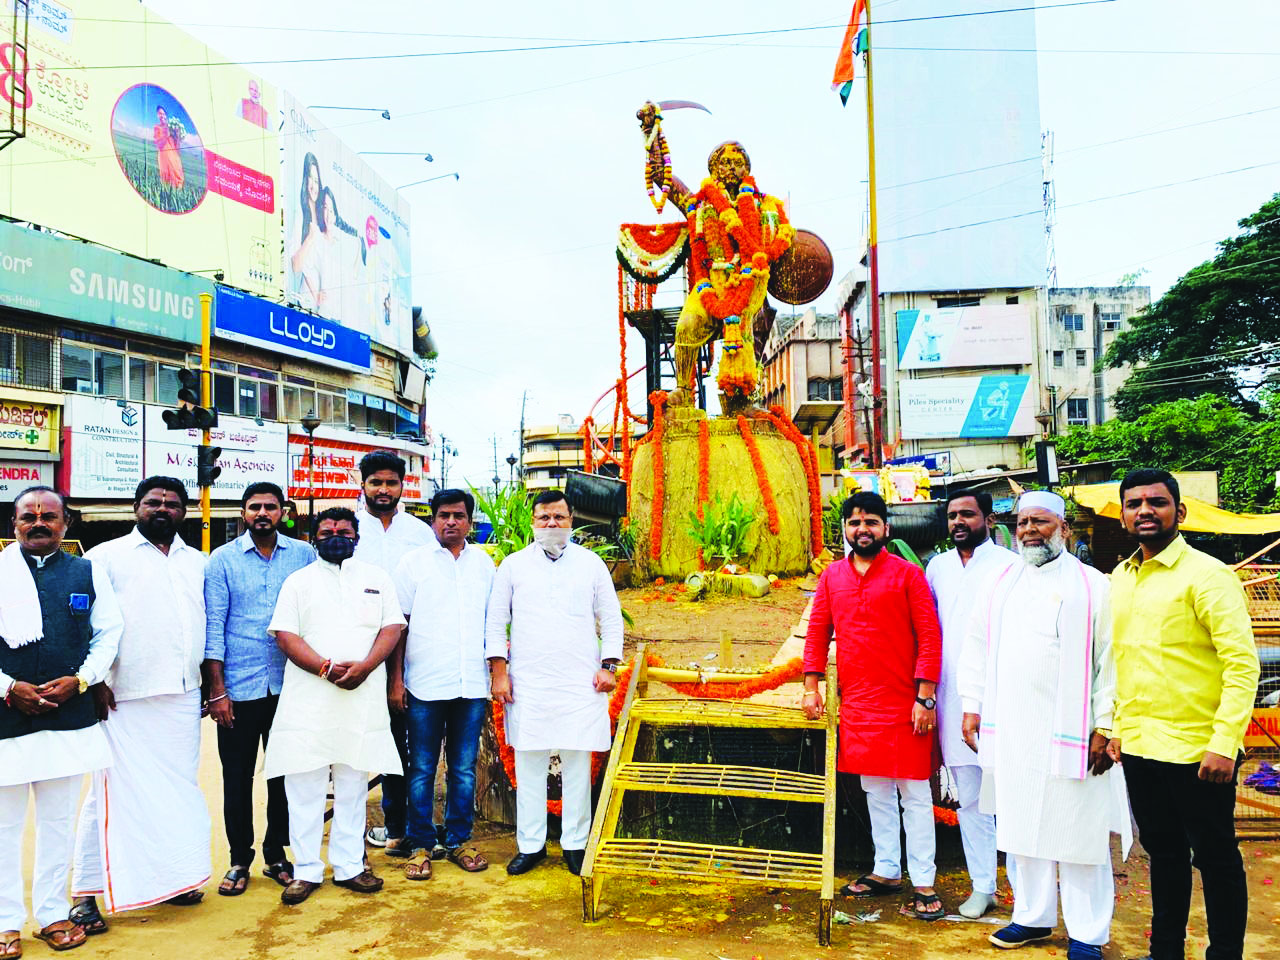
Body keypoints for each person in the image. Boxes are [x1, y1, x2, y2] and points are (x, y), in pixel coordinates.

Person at [958, 491, 1130, 960]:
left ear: (1064, 528)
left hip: (1071, 733)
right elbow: (975, 647)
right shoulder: (1000, 584)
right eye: (1023, 522)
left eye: (1041, 521)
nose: (1029, 529)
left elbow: (1109, 663)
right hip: (1013, 729)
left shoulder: (1095, 586)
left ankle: (1088, 934)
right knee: (1020, 830)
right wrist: (971, 705)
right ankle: (1031, 918)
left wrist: (1104, 725)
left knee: (1077, 833)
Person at [1108, 468, 1259, 960]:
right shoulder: (1121, 578)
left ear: (1180, 511)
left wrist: (1224, 742)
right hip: (1142, 747)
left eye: (1156, 502)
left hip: (1199, 750)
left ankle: (1225, 955)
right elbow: (1121, 662)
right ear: (1125, 515)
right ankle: (1166, 950)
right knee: (1164, 855)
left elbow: (1241, 665)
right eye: (1134, 503)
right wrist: (1114, 729)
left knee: (1216, 859)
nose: (1145, 511)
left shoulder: (1208, 576)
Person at [72, 477, 211, 931]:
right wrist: (95, 681)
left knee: (175, 792)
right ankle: (85, 893)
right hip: (121, 696)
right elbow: (84, 626)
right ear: (136, 508)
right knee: (107, 796)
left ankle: (174, 879)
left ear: (184, 512)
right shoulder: (104, 558)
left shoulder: (199, 562)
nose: (162, 509)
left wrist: (208, 685)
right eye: (153, 502)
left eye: (172, 504)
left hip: (183, 696)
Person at [802, 491, 945, 920]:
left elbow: (930, 638)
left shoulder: (907, 575)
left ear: (887, 528)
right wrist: (812, 687)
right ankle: (886, 870)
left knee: (915, 794)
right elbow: (816, 634)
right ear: (844, 529)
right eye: (854, 522)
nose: (862, 529)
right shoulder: (831, 578)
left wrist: (925, 696)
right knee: (875, 792)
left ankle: (923, 879)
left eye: (871, 522)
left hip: (907, 704)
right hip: (860, 704)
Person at [0, 487, 122, 956]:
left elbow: (109, 632)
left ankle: (51, 914)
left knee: (56, 823)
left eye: (47, 516)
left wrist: (83, 680)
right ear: (13, 525)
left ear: (65, 524)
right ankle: (6, 922)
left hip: (67, 714)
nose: (37, 523)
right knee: (4, 826)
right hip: (6, 715)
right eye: (27, 516)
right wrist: (8, 688)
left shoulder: (87, 572)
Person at [265, 507, 405, 905]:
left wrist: (365, 667)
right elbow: (286, 636)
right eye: (326, 531)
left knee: (353, 785)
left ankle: (349, 867)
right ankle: (306, 870)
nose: (335, 536)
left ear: (357, 537)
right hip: (309, 698)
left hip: (361, 695)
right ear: (314, 538)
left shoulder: (377, 578)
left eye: (344, 531)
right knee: (304, 785)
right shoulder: (298, 581)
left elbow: (392, 627)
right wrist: (325, 668)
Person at [486, 490, 623, 877]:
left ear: (571, 521)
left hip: (580, 680)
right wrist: (500, 672)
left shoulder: (591, 564)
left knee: (578, 760)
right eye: (544, 518)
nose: (551, 525)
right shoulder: (512, 566)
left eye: (559, 518)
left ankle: (575, 845)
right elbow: (496, 622)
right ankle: (530, 846)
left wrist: (608, 665)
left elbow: (610, 618)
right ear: (533, 522)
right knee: (529, 761)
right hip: (528, 681)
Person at [203, 482, 316, 897]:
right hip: (239, 687)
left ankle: (276, 853)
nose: (263, 513)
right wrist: (217, 690)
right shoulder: (222, 561)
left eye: (270, 507)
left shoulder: (304, 555)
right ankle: (238, 858)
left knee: (285, 775)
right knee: (236, 777)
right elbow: (214, 626)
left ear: (283, 511)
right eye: (255, 507)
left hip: (292, 686)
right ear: (243, 512)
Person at [391, 488, 496, 881]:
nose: (450, 522)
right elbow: (398, 626)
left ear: (469, 521)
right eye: (443, 515)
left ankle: (457, 840)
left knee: (464, 769)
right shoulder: (413, 564)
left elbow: (494, 623)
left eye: (458, 515)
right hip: (423, 685)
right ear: (432, 519)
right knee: (420, 768)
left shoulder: (484, 565)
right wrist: (396, 680)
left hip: (471, 685)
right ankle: (419, 844)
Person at [925, 489, 1017, 919]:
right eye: (952, 516)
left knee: (1012, 799)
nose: (959, 522)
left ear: (988, 520)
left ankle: (1024, 889)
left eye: (968, 514)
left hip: (1002, 701)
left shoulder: (1012, 566)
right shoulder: (937, 567)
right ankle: (984, 886)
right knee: (971, 800)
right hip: (950, 699)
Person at [353, 449, 435, 858]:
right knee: (354, 740)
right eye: (376, 483)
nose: (383, 490)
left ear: (403, 486)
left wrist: (397, 673)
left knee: (402, 744)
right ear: (362, 484)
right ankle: (352, 834)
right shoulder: (351, 531)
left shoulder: (420, 533)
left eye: (391, 483)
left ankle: (397, 826)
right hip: (356, 653)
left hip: (408, 652)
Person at [154, 105, 184, 189]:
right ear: (157, 115)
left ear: (166, 115)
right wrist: (166, 133)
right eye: (160, 113)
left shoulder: (172, 128)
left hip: (174, 158)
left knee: (177, 181)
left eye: (163, 114)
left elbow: (177, 147)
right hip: (164, 158)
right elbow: (159, 144)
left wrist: (177, 135)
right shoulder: (157, 128)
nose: (162, 115)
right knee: (166, 183)